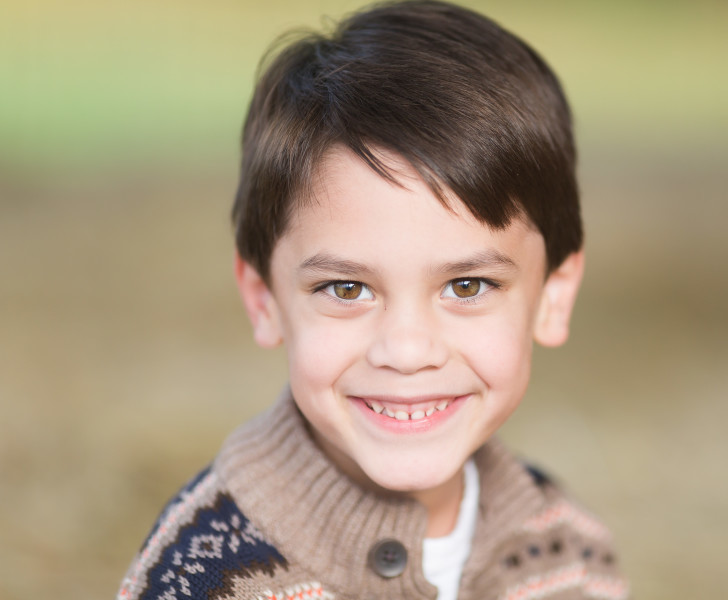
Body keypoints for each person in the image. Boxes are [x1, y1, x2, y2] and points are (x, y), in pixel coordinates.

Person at [117, 2, 628, 599]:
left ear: (553, 297)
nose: (407, 350)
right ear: (265, 300)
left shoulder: (570, 554)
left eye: (466, 286)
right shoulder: (205, 576)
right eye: (346, 289)